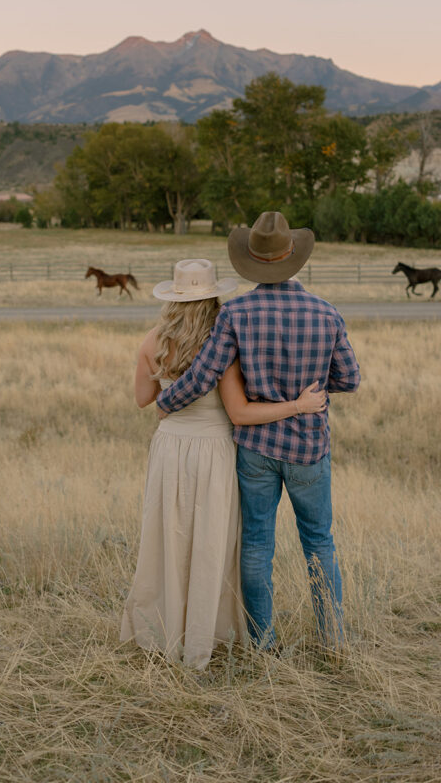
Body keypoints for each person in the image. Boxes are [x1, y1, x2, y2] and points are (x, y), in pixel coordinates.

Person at [157, 212, 361, 650]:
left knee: (256, 546)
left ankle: (263, 643)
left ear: (252, 260)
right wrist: (314, 388)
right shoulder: (326, 313)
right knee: (319, 544)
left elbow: (202, 374)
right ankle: (333, 639)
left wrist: (164, 403)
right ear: (294, 257)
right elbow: (350, 379)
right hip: (308, 446)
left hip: (255, 448)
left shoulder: (235, 313)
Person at [120, 258, 325, 670]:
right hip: (214, 451)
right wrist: (298, 405)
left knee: (169, 539)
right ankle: (205, 633)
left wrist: (167, 398)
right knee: (212, 541)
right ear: (214, 299)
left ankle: (163, 629)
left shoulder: (153, 341)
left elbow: (144, 400)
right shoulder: (222, 347)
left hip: (171, 449)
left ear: (173, 300)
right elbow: (240, 414)